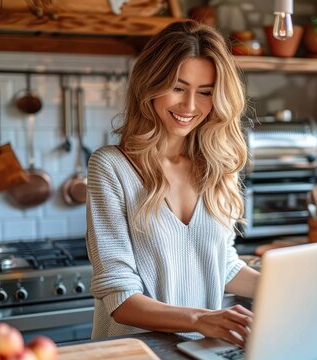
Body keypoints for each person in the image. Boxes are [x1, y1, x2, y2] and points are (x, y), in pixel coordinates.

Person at [86, 20, 260, 347]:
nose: (190, 106)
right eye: (178, 88)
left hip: (199, 353)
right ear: (150, 84)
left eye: (205, 92)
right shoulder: (110, 167)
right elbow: (119, 296)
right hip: (137, 353)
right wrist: (200, 319)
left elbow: (222, 265)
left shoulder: (216, 166)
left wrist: (291, 288)